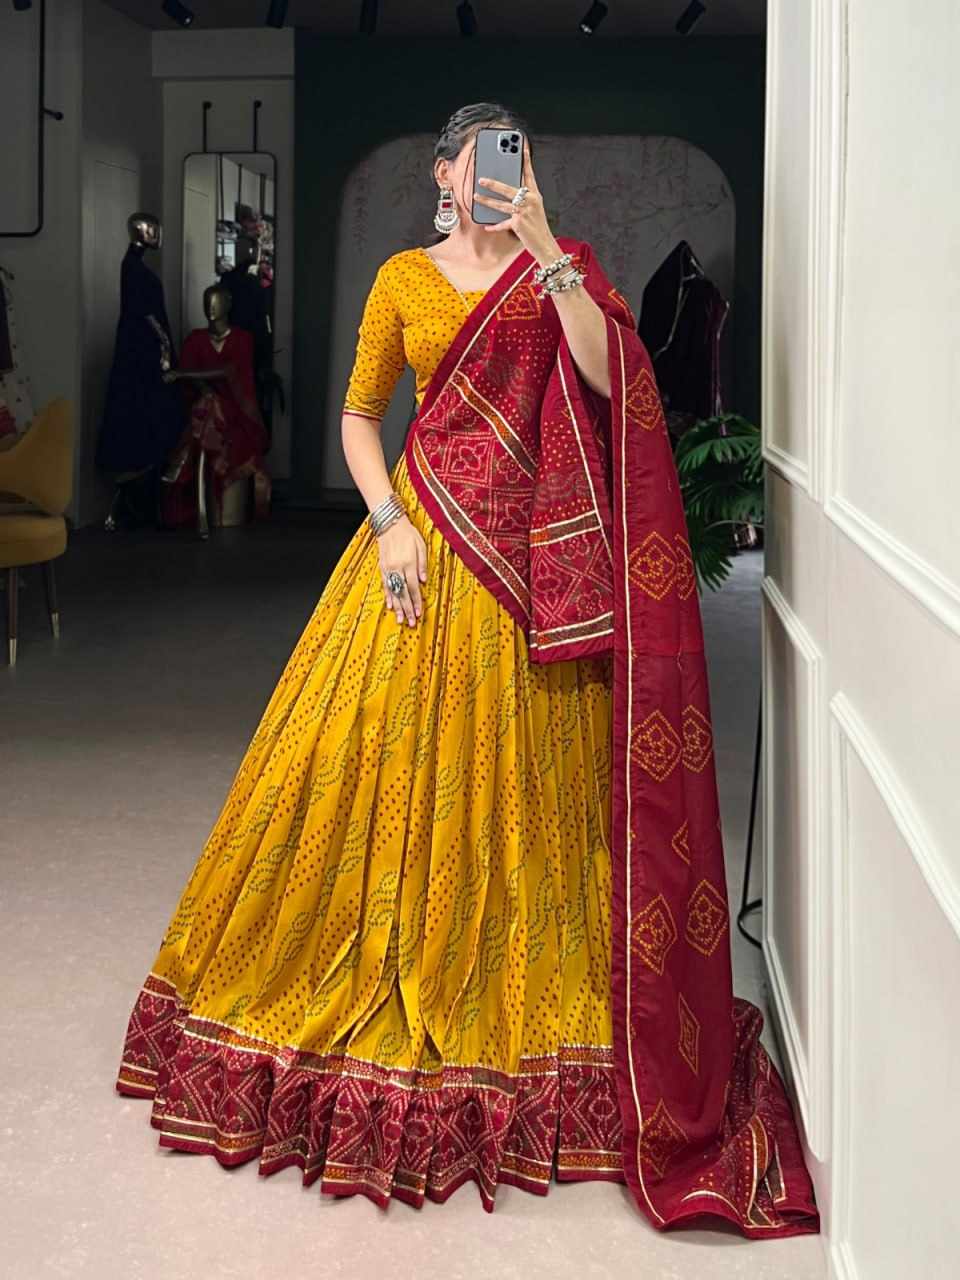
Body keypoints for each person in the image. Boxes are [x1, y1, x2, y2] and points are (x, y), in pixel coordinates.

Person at [115, 103, 820, 1238]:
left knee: (540, 802)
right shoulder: (403, 279)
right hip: (425, 544)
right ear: (443, 173)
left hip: (532, 568)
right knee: (372, 773)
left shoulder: (558, 268)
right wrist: (388, 520)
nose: (498, 173)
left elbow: (609, 378)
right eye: (482, 159)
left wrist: (544, 244)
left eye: (516, 157)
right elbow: (359, 418)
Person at [159, 284, 271, 530]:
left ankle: (181, 460)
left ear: (228, 304)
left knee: (212, 407)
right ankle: (191, 471)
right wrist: (203, 388)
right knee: (208, 404)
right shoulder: (195, 339)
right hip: (205, 410)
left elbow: (230, 372)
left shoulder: (242, 339)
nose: (210, 307)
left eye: (216, 301)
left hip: (237, 411)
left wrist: (182, 374)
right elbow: (194, 375)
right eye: (207, 301)